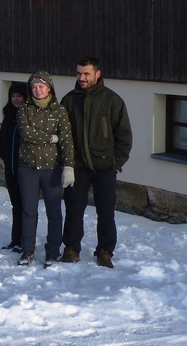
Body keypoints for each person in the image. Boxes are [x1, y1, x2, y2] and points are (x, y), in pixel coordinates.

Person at [60, 57, 133, 268]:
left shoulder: (112, 100)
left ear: (97, 74)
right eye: (79, 73)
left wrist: (116, 163)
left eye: (86, 74)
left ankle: (105, 251)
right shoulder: (69, 100)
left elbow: (124, 135)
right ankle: (71, 248)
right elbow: (64, 134)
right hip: (78, 166)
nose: (81, 78)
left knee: (106, 211)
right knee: (73, 210)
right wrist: (68, 163)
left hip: (105, 168)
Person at [16, 72, 75, 267]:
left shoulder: (59, 111)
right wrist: (51, 138)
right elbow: (26, 132)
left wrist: (69, 166)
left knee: (54, 212)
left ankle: (52, 251)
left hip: (52, 169)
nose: (37, 89)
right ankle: (28, 250)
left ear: (49, 88)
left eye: (41, 86)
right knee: (29, 211)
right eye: (34, 86)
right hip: (28, 168)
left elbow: (66, 139)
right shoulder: (24, 108)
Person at [0, 82, 28, 253]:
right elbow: (1, 140)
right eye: (13, 96)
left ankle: (26, 240)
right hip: (11, 169)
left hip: (26, 169)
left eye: (19, 96)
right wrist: (6, 158)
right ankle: (15, 239)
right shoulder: (8, 116)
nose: (16, 99)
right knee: (16, 205)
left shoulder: (29, 116)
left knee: (26, 208)